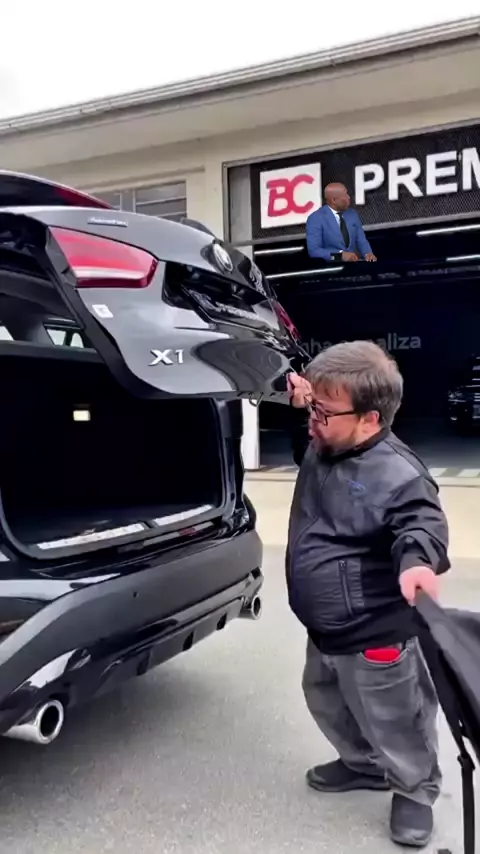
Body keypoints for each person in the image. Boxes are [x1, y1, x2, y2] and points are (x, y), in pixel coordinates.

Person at [286, 340, 449, 848]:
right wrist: (303, 405)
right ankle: (364, 765)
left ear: (370, 418)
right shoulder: (326, 444)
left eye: (322, 411)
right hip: (326, 625)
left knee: (396, 716)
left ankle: (415, 790)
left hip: (375, 630)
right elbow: (307, 440)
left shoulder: (400, 475)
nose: (312, 420)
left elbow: (421, 525)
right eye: (311, 406)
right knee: (327, 700)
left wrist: (417, 563)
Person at [306, 183, 377, 262]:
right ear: (334, 200)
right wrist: (339, 256)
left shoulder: (352, 214)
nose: (349, 197)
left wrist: (367, 253)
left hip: (354, 264)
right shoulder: (315, 219)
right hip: (331, 267)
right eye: (345, 195)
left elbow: (361, 240)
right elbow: (314, 251)